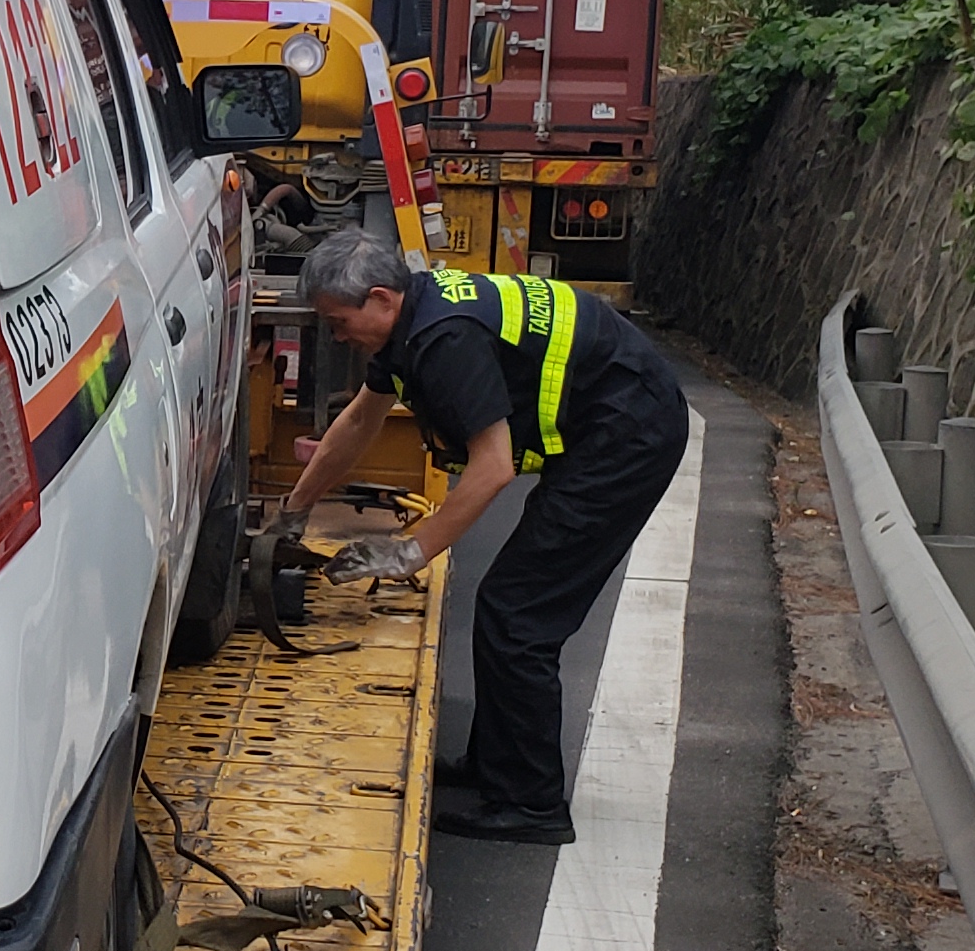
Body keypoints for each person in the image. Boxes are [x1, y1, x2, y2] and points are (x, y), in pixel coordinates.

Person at [279, 226, 691, 846]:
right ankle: (497, 766)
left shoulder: (445, 339)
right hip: (611, 419)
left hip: (630, 433)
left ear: (382, 299)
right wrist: (294, 511)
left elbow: (492, 467)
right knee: (508, 603)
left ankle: (531, 804)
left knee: (519, 612)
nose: (337, 337)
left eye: (339, 322)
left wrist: (408, 553)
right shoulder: (413, 319)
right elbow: (361, 420)